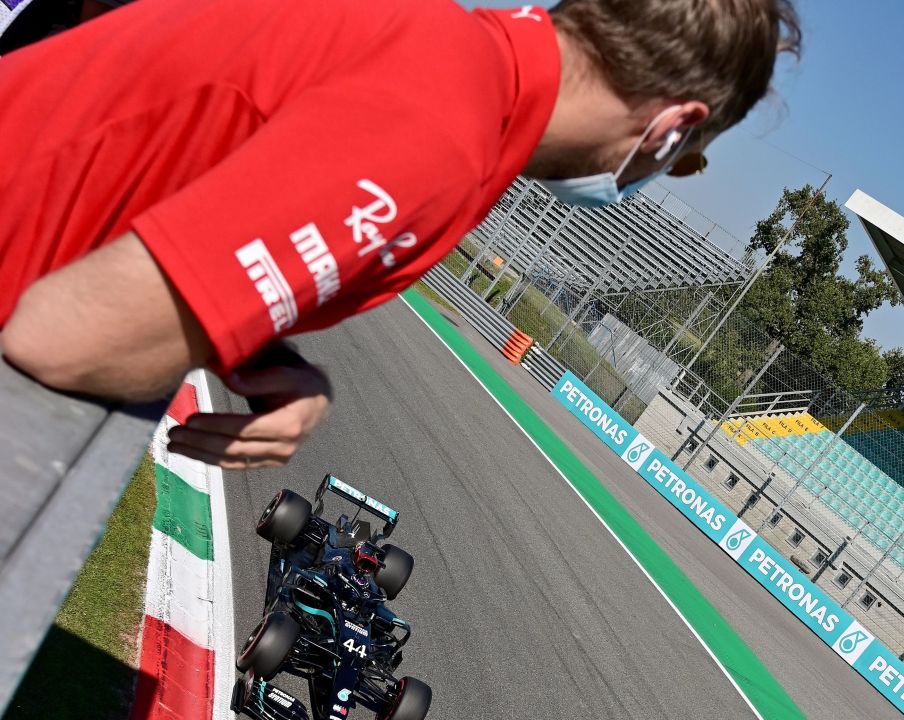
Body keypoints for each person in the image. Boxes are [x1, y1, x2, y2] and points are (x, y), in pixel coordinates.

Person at [0, 0, 800, 469]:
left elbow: (193, 192)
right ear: (670, 130)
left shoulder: (453, 55)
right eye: (682, 162)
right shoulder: (445, 137)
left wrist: (266, 356)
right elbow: (71, 338)